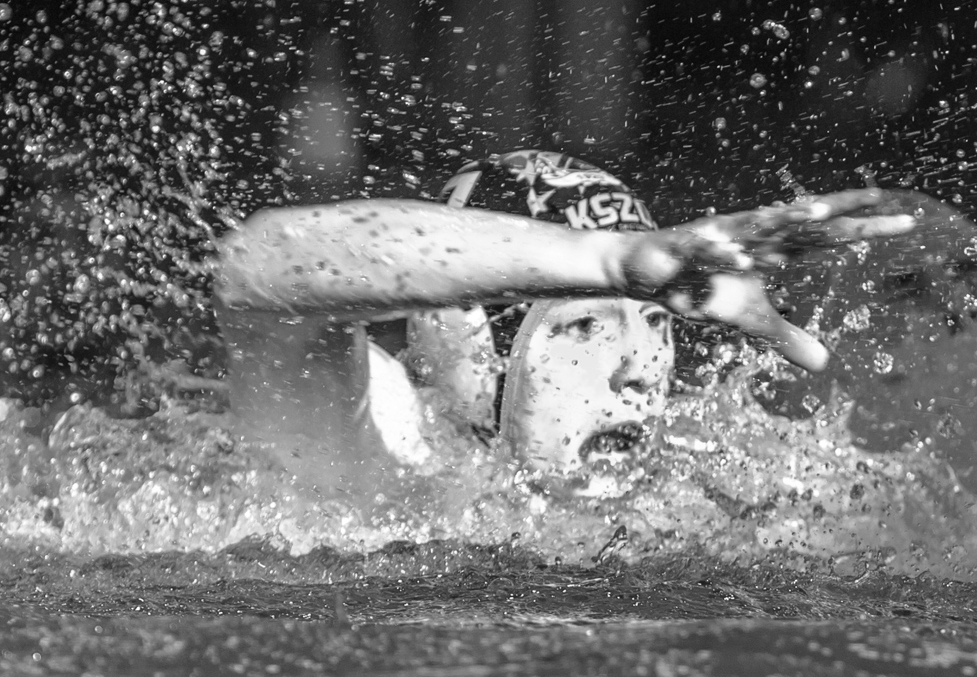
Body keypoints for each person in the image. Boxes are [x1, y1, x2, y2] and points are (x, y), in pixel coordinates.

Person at [212, 149, 914, 495]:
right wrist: (606, 259)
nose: (640, 369)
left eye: (657, 325)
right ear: (464, 340)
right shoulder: (373, 456)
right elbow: (258, 264)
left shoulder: (699, 504)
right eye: (585, 327)